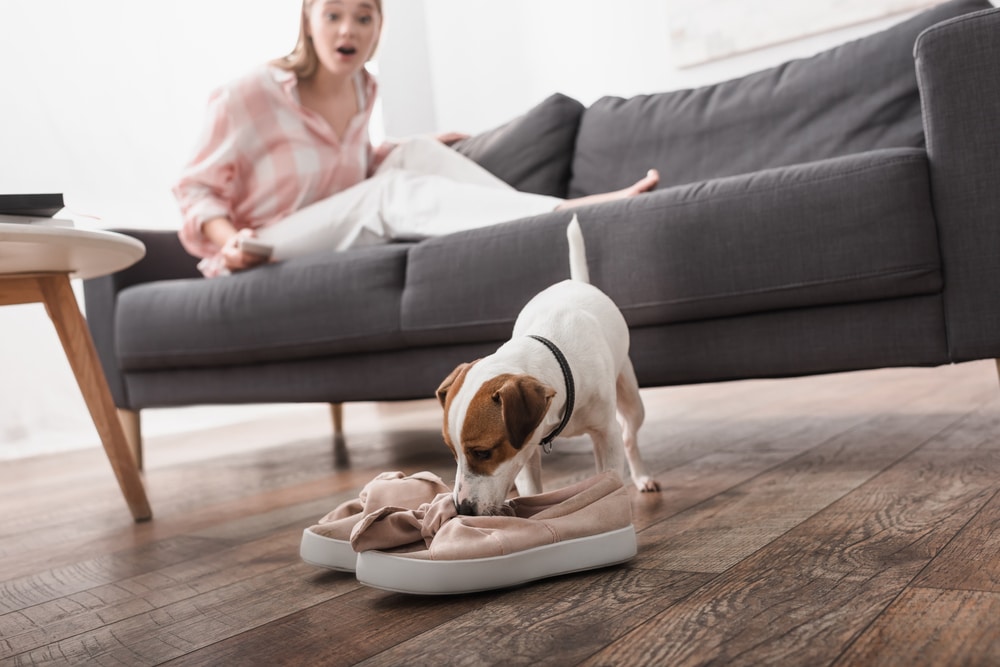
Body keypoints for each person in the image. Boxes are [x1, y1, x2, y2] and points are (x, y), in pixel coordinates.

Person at [174, 0, 660, 277]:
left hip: (330, 221)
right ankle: (565, 214)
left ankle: (535, 226)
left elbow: (350, 166)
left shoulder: (364, 90)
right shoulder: (250, 93)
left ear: (378, 27)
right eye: (333, 14)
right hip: (262, 242)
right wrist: (230, 240)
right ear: (308, 18)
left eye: (364, 16)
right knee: (387, 192)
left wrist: (415, 148)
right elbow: (195, 188)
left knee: (415, 152)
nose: (349, 29)